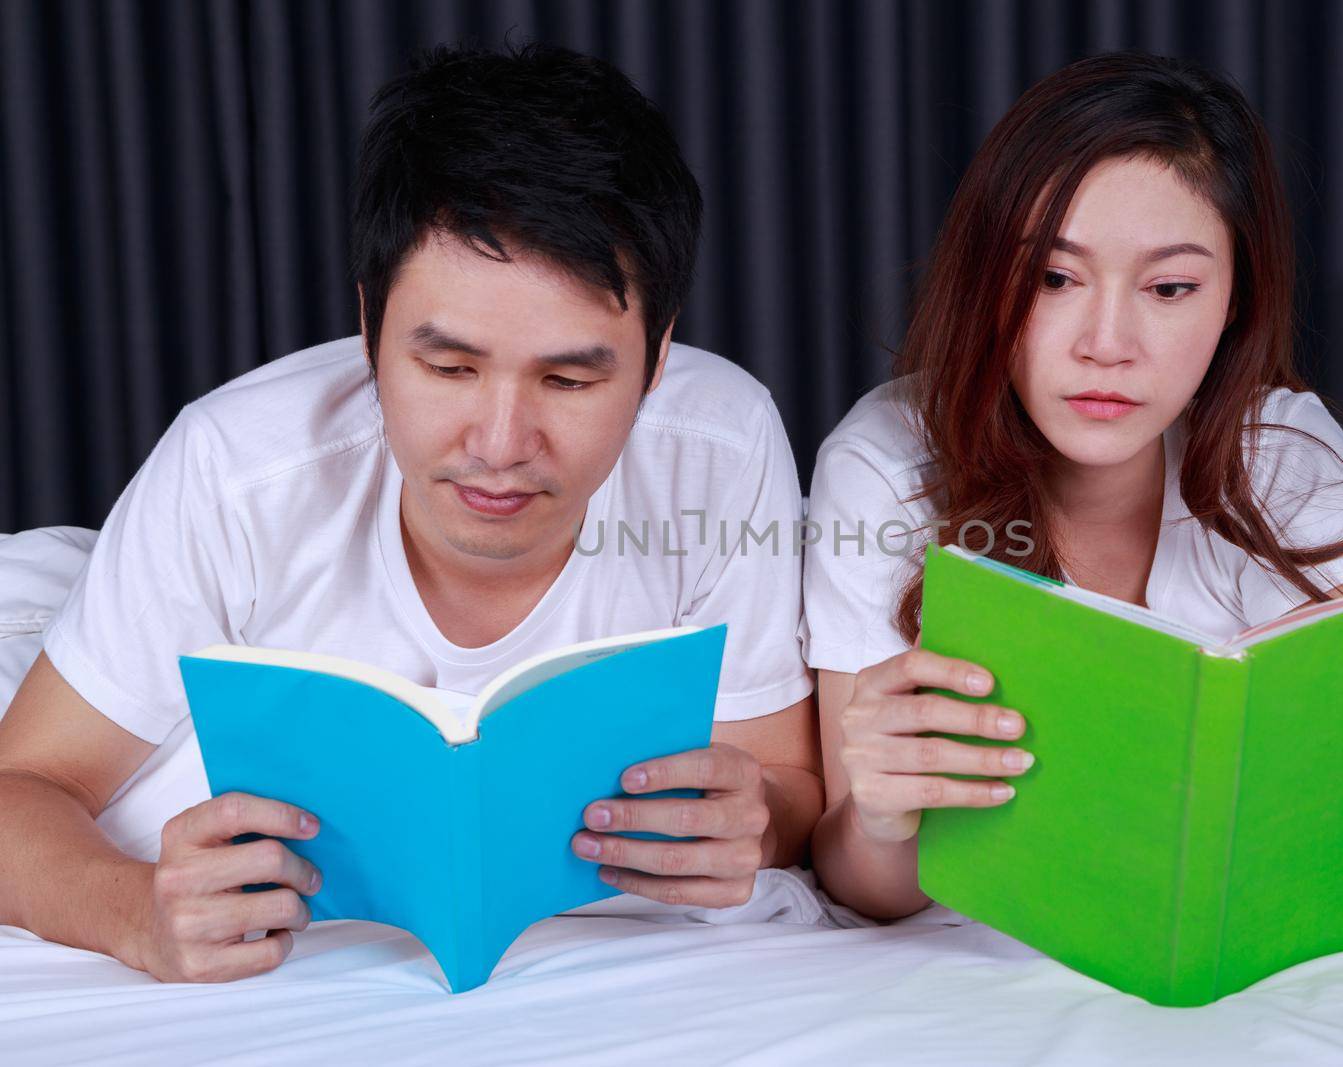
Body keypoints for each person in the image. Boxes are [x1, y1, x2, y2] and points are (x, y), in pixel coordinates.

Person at [0, 43, 820, 982]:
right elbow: (20, 786)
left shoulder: (720, 444)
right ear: (368, 327)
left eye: (568, 378)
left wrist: (751, 824)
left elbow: (789, 788)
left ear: (659, 357)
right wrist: (134, 914)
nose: (503, 443)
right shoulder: (236, 469)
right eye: (448, 368)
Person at [802, 52, 1343, 920]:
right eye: (1052, 278)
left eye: (1170, 287)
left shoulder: (1279, 444)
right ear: (988, 279)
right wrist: (882, 817)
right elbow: (864, 886)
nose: (1108, 342)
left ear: (1233, 303)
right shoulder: (886, 465)